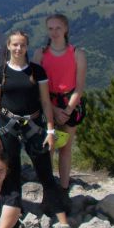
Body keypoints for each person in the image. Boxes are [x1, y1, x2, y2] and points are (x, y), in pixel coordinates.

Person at [0, 30, 74, 228]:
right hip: (8, 127)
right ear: (8, 46)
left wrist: (51, 130)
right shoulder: (0, 73)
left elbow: (45, 102)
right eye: (15, 45)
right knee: (13, 174)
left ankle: (63, 222)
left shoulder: (37, 71)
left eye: (22, 45)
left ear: (27, 47)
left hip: (35, 126)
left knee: (45, 173)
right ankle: (13, 218)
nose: (19, 49)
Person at [33, 14, 87, 192]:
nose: (54, 32)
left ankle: (63, 187)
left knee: (65, 149)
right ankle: (49, 187)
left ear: (66, 29)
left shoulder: (77, 54)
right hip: (48, 102)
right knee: (48, 147)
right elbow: (34, 84)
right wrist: (54, 110)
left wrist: (67, 111)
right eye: (50, 28)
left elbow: (79, 88)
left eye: (58, 28)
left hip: (69, 103)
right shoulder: (40, 54)